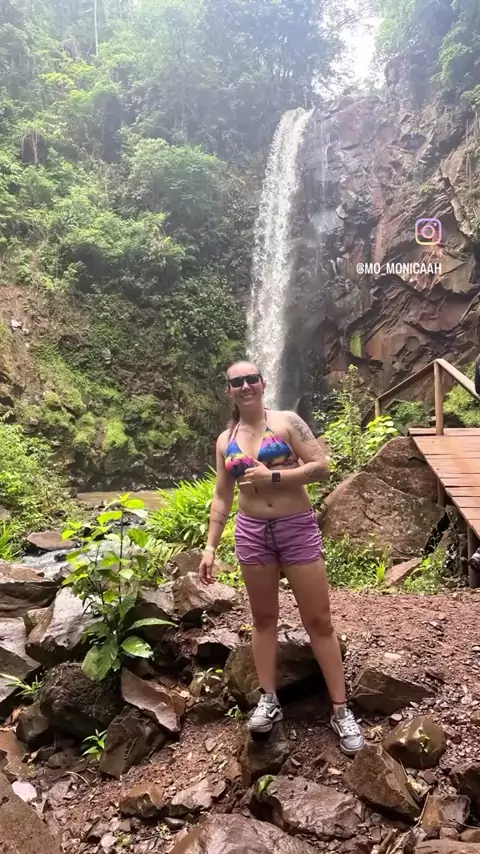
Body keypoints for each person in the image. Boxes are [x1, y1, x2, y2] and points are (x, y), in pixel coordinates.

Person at [198, 361, 364, 756]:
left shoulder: (287, 422)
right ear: (229, 391)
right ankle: (268, 699)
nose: (245, 386)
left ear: (263, 382)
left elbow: (321, 468)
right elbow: (222, 495)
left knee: (318, 620)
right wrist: (210, 546)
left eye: (251, 379)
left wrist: (272, 476)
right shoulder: (225, 440)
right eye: (237, 382)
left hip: (296, 527)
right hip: (252, 532)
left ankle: (341, 709)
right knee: (263, 619)